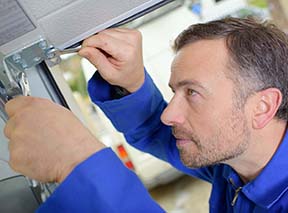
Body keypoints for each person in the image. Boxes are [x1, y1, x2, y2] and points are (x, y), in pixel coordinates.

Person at [3, 17, 288, 212]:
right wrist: (131, 84)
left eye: (192, 93)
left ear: (262, 107)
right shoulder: (234, 166)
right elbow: (158, 131)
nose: (169, 115)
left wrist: (80, 163)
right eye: (175, 92)